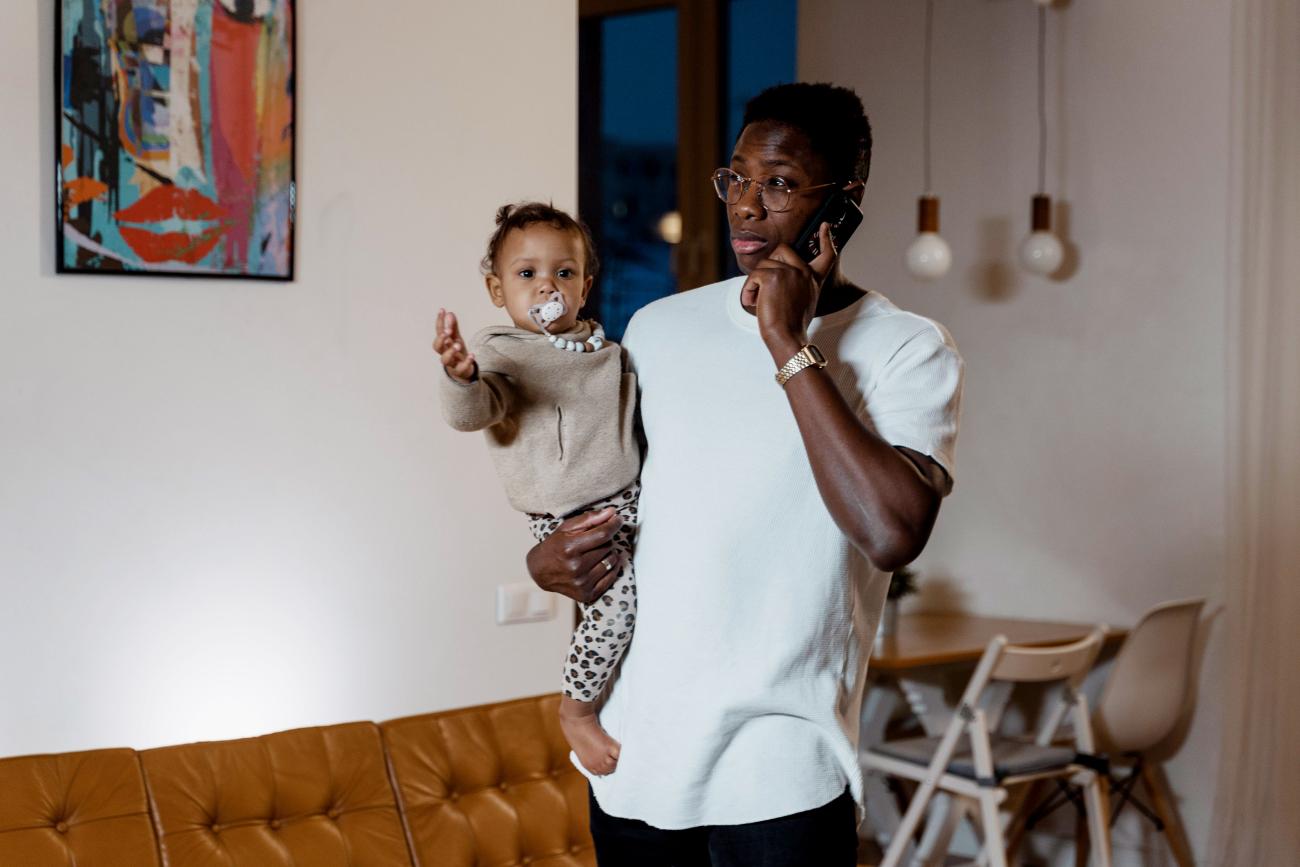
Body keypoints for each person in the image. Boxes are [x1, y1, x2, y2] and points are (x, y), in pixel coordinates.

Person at [525, 82, 964, 865]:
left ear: (845, 200)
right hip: (633, 760)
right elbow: (611, 507)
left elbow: (892, 531)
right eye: (737, 179)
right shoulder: (658, 329)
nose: (749, 208)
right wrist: (548, 561)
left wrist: (786, 341)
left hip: (780, 778)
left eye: (783, 184)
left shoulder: (907, 348)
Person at [435, 203, 640, 776]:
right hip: (570, 516)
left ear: (584, 287)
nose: (547, 285)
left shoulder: (605, 351)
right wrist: (460, 376)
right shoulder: (502, 355)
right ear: (497, 290)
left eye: (564, 273)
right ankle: (577, 711)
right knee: (616, 609)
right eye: (526, 274)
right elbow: (474, 412)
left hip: (631, 498)